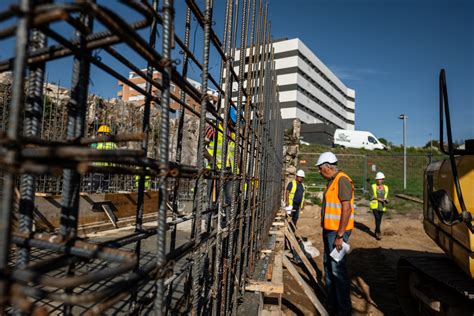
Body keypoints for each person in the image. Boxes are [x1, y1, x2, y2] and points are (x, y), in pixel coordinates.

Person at [316, 152, 355, 316]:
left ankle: (344, 310)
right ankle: (332, 305)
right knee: (329, 266)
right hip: (330, 231)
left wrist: (339, 236)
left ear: (327, 166)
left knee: (338, 270)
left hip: (338, 233)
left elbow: (346, 208)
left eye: (320, 168)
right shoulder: (332, 181)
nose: (319, 171)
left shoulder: (342, 180)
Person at [204, 106, 238, 228]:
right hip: (215, 170)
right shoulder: (213, 129)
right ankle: (208, 225)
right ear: (228, 119)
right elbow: (202, 148)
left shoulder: (233, 134)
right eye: (233, 122)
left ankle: (229, 223)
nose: (234, 125)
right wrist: (211, 159)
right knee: (211, 199)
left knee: (229, 199)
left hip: (229, 171)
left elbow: (235, 154)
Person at [91, 125, 117, 192]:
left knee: (93, 188)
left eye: (100, 133)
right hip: (109, 169)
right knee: (105, 188)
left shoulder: (97, 143)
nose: (98, 135)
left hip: (99, 168)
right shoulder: (113, 144)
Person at [370, 172, 389, 240]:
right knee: (377, 218)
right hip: (375, 205)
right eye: (378, 179)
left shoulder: (386, 187)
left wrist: (386, 200)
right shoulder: (373, 186)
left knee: (379, 220)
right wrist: (379, 199)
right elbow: (371, 196)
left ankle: (376, 230)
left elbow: (386, 196)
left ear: (383, 180)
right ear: (376, 180)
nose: (379, 181)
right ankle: (378, 232)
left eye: (381, 179)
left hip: (382, 206)